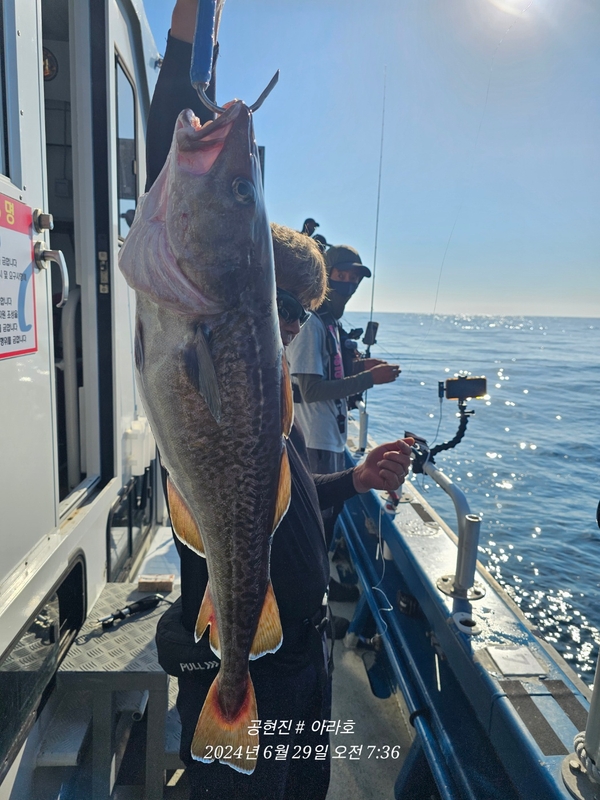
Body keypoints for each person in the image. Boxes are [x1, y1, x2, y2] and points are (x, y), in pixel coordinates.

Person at [147, 3, 413, 798]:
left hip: (303, 658)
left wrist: (353, 480)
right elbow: (175, 138)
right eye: (283, 304)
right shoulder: (214, 347)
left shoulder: (274, 403)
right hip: (240, 661)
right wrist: (188, 33)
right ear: (252, 289)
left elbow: (286, 498)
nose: (291, 322)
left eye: (303, 312)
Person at [286, 244, 401, 596]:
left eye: (355, 278)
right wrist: (369, 379)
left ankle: (322, 585)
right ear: (326, 277)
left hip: (331, 437)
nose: (349, 284)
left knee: (331, 515)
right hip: (316, 439)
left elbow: (329, 371)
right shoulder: (311, 326)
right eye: (341, 275)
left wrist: (361, 366)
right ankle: (316, 590)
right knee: (317, 520)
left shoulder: (331, 324)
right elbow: (310, 389)